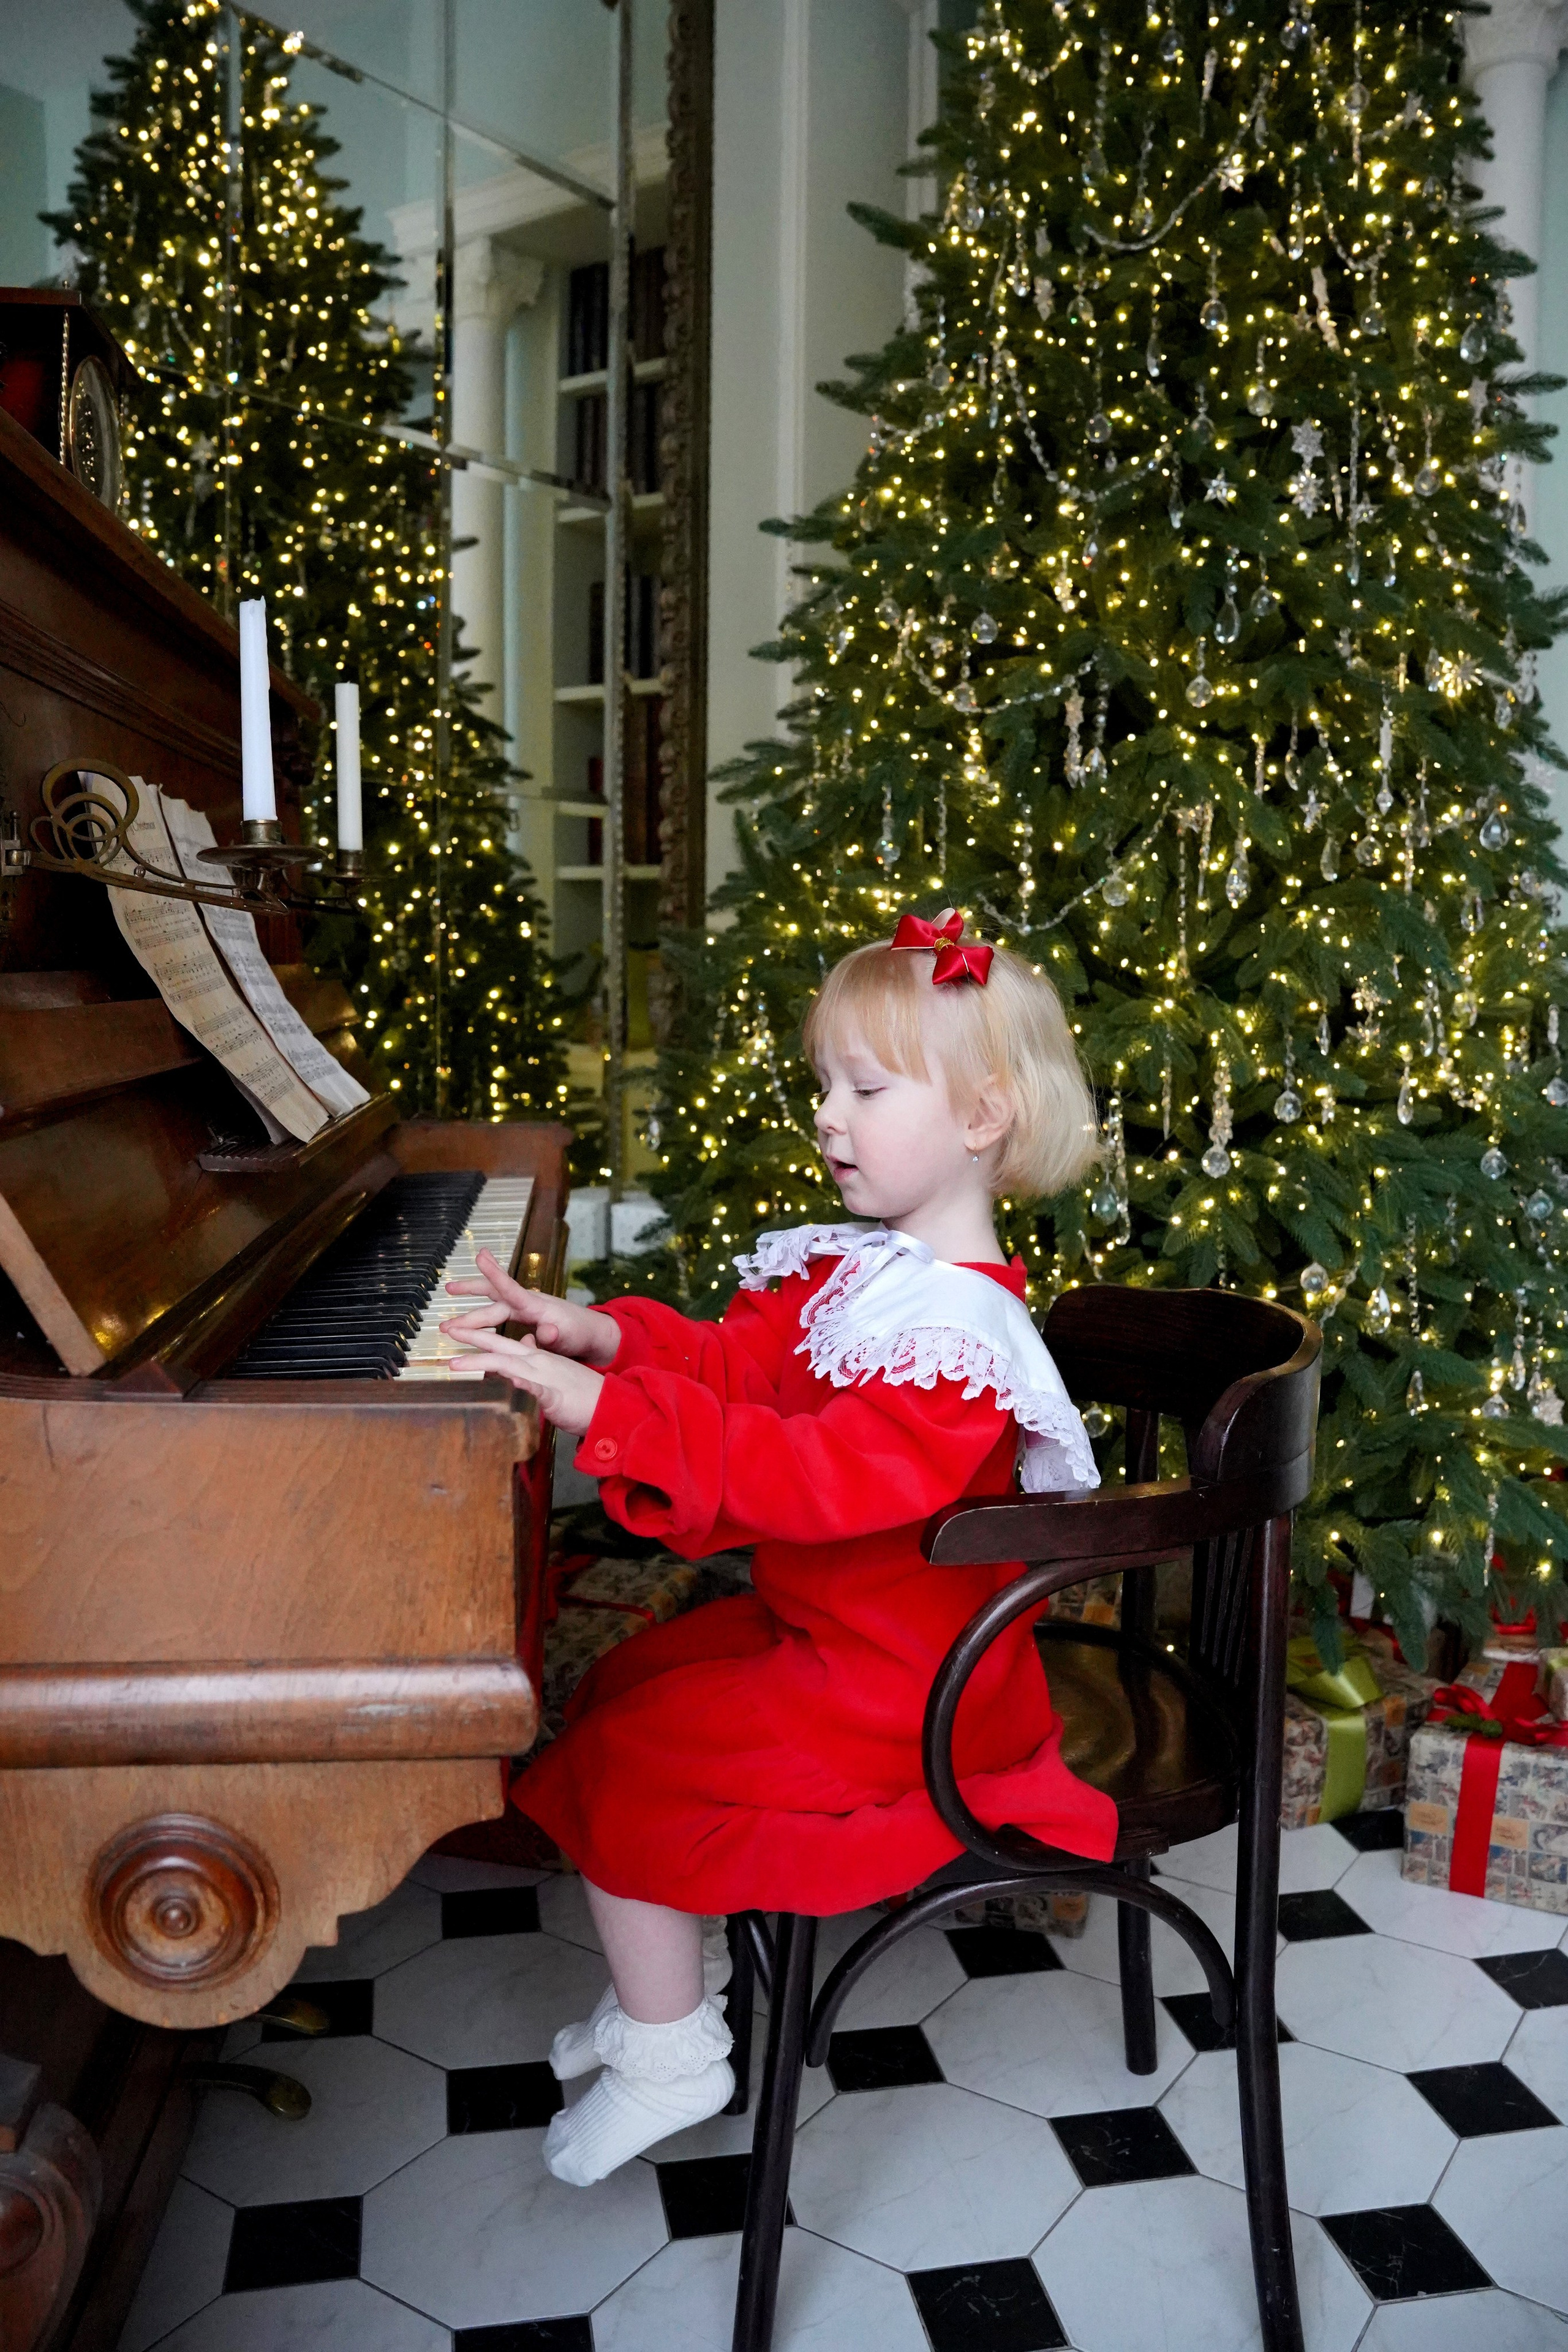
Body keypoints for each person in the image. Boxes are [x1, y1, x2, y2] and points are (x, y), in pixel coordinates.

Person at [440, 908, 1112, 2187]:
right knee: (623, 1684)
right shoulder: (868, 1274)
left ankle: (670, 2055)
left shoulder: (958, 1339)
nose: (827, 1116)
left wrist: (611, 1416)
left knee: (629, 1763)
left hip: (910, 1692)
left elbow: (812, 1478)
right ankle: (671, 1976)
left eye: (866, 1089)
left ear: (982, 1117)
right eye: (824, 1085)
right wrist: (606, 1340)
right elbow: (744, 1365)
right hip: (838, 1640)